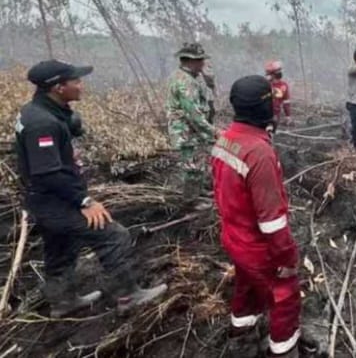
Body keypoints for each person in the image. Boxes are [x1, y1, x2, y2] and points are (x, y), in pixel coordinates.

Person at [15, 60, 167, 318]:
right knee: (113, 235)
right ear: (59, 87)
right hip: (54, 200)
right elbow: (48, 173)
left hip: (41, 200)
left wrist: (68, 120)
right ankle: (129, 296)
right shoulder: (43, 124)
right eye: (76, 81)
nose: (81, 85)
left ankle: (63, 302)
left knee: (60, 247)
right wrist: (84, 201)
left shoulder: (36, 110)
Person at [212, 75, 317, 358]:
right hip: (258, 246)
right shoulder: (259, 153)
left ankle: (242, 334)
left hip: (233, 236)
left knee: (247, 285)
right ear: (265, 106)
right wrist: (286, 259)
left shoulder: (225, 139)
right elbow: (271, 220)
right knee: (284, 296)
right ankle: (283, 350)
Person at [165, 42, 219, 204]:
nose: (203, 64)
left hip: (191, 129)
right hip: (186, 130)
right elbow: (193, 113)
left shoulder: (188, 78)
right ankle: (191, 201)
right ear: (190, 61)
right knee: (191, 165)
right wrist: (213, 131)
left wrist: (211, 83)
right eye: (200, 60)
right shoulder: (185, 82)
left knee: (198, 162)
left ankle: (198, 191)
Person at [265, 60, 293, 127]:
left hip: (275, 115)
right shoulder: (264, 85)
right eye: (277, 71)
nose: (279, 73)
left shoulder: (283, 85)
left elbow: (286, 102)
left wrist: (288, 116)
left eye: (279, 71)